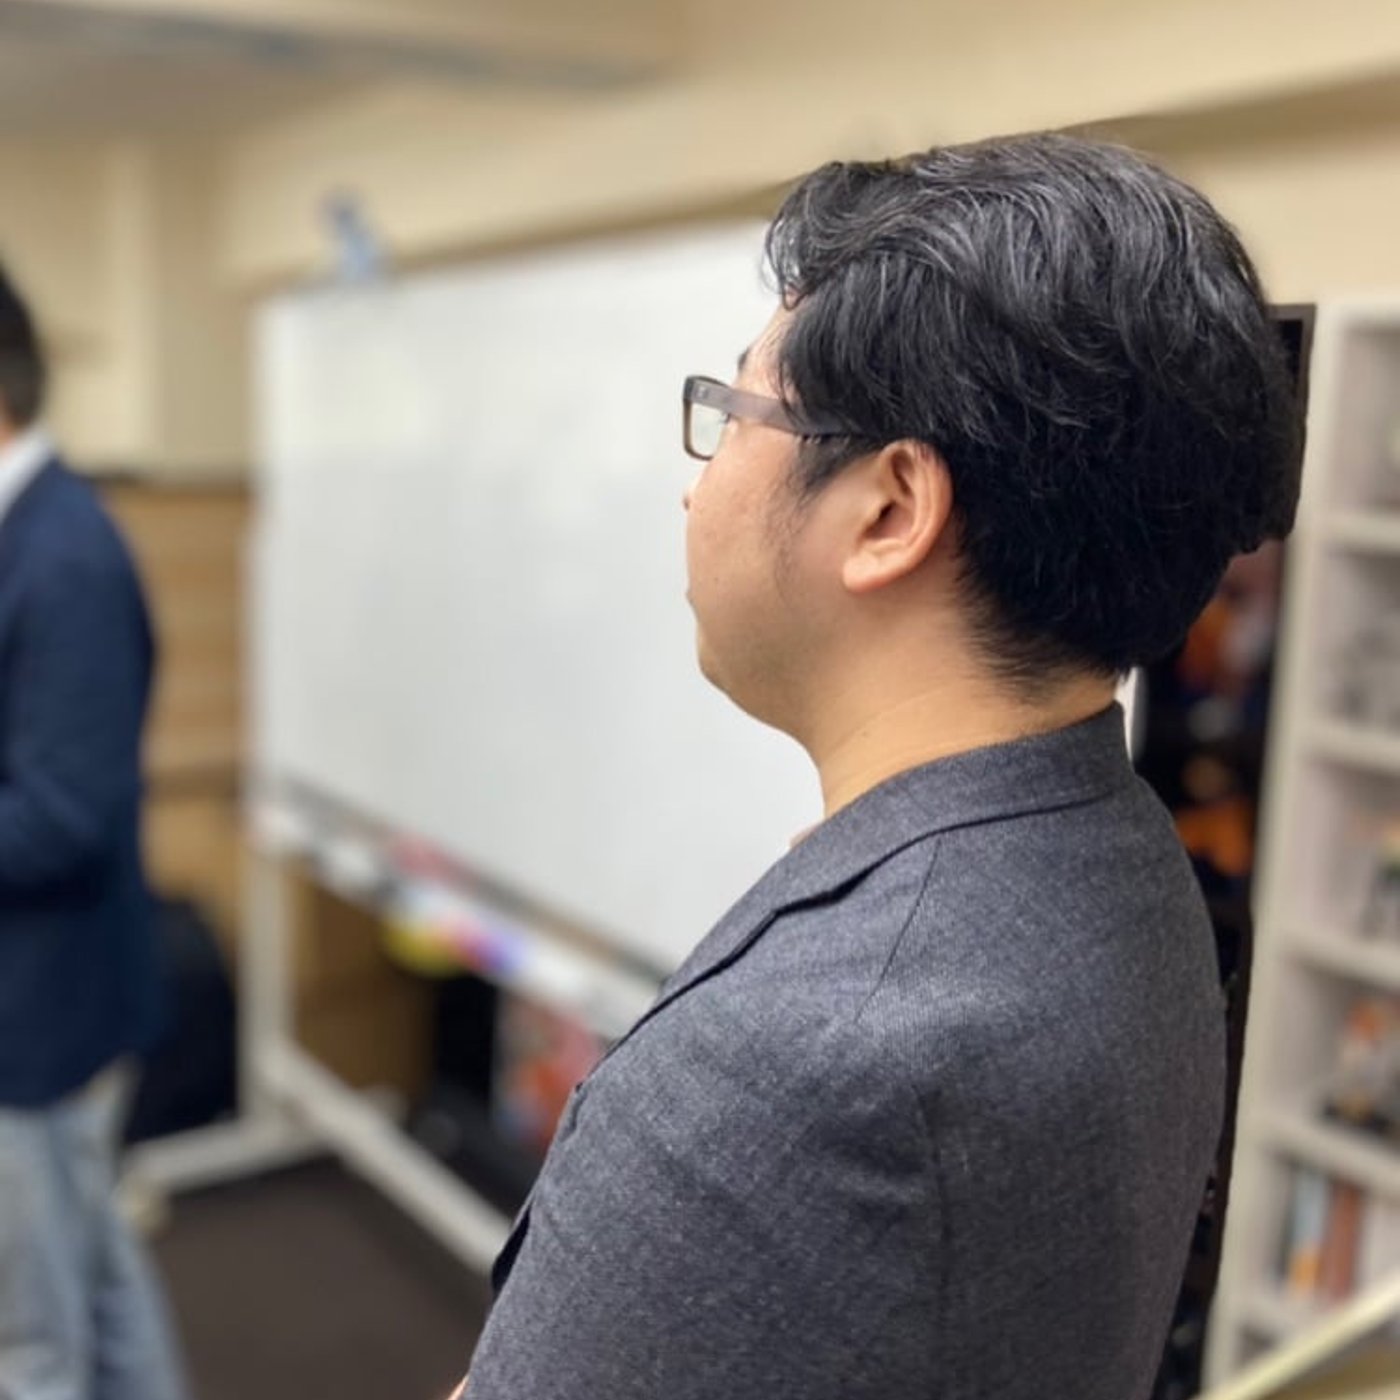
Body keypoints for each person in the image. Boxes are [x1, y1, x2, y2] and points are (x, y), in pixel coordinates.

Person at [459, 134, 1300, 1399]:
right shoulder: (1119, 858)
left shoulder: (793, 1064)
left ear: (891, 508)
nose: (693, 492)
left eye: (733, 415)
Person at [0, 264, 186, 1400]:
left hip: (40, 1018)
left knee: (30, 1342)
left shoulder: (62, 553)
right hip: (44, 1001)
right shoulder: (28, 532)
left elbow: (62, 814)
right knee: (96, 1274)